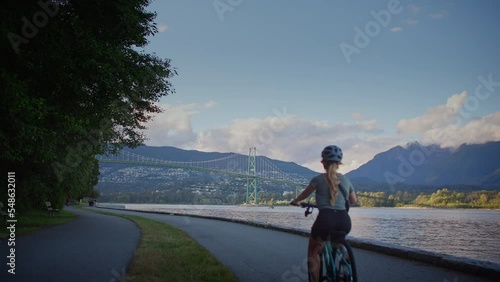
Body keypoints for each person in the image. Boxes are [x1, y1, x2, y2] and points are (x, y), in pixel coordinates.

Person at [290, 145, 357, 282]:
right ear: (339, 164)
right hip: (344, 220)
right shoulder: (346, 179)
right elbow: (353, 200)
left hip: (325, 220)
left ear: (323, 163)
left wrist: (295, 201)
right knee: (337, 239)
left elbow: (304, 195)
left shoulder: (318, 179)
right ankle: (343, 256)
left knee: (313, 253)